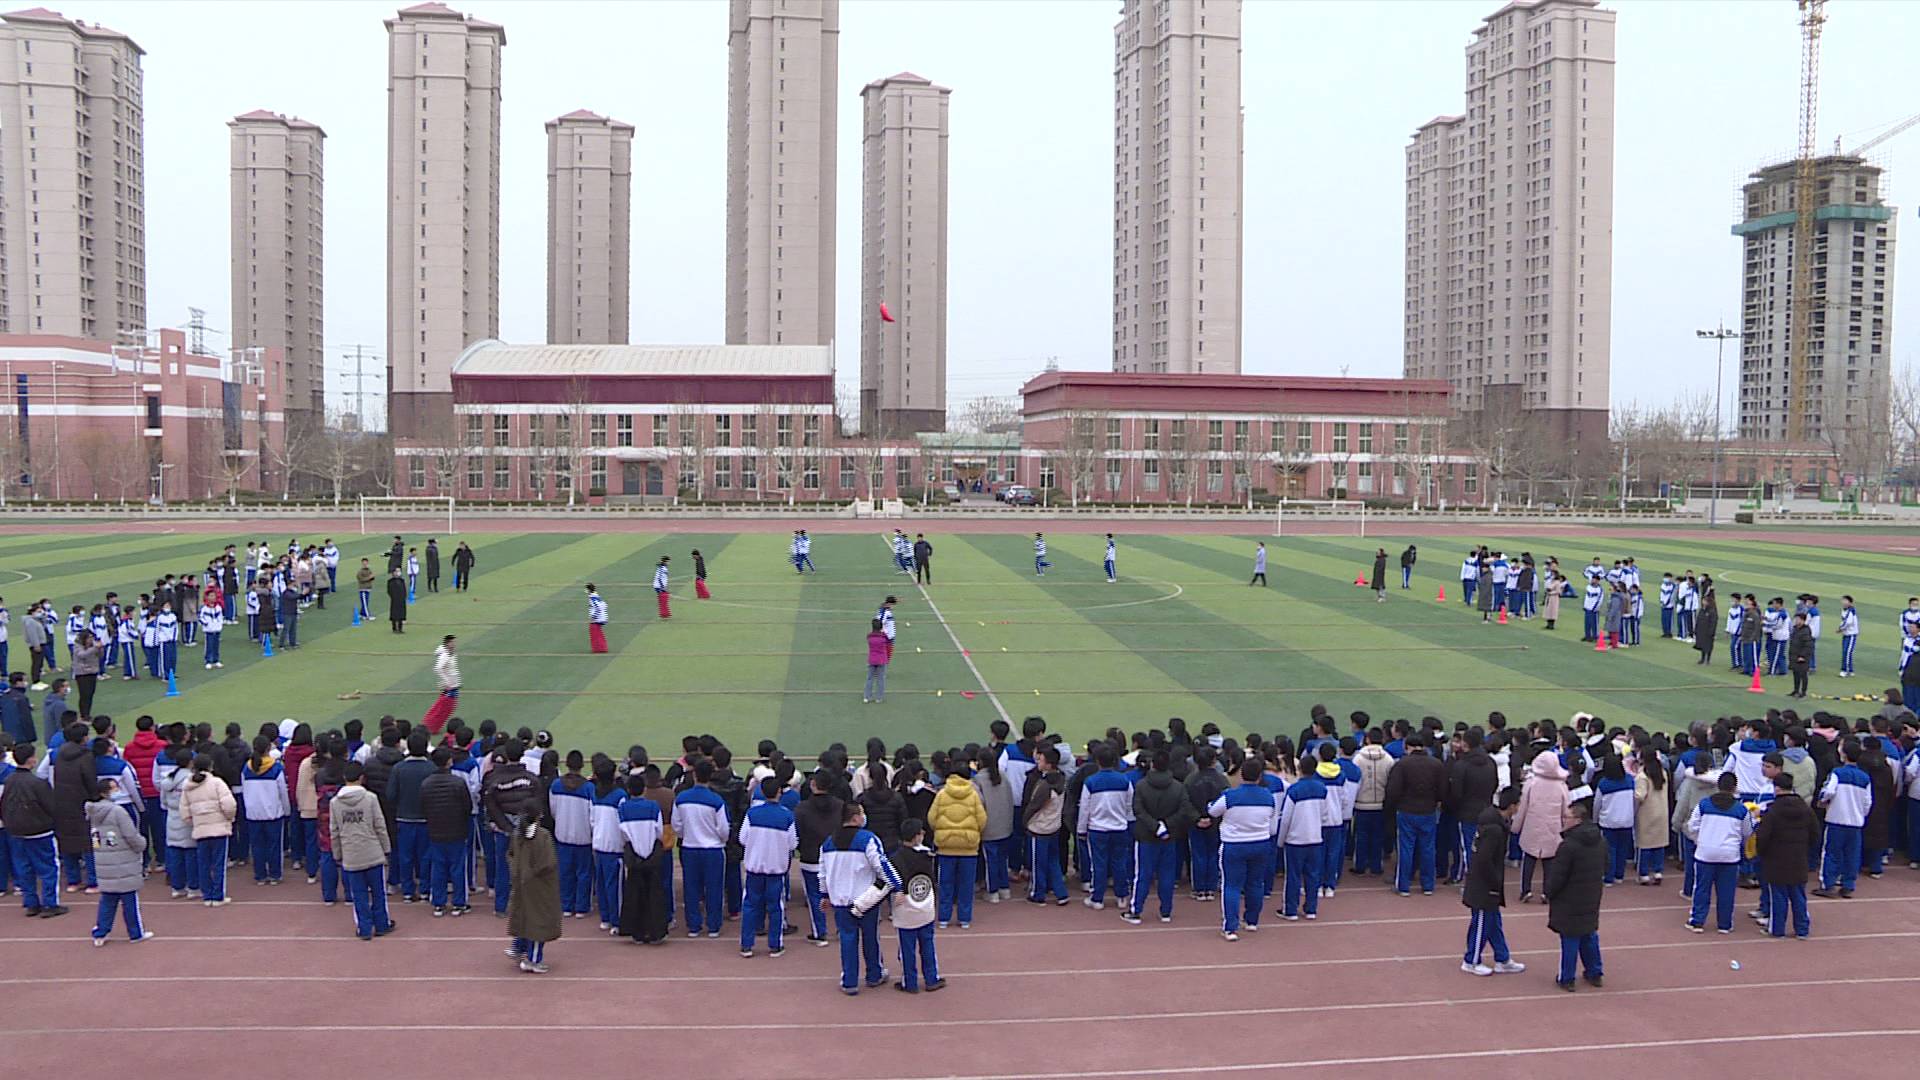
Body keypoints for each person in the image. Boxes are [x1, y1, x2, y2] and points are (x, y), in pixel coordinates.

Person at [818, 800, 902, 995]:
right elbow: (882, 865)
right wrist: (897, 885)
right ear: (856, 817)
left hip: (841, 901)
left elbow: (822, 873)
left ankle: (849, 981)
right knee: (871, 937)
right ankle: (874, 974)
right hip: (866, 900)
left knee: (847, 940)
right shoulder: (868, 839)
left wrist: (824, 894)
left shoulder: (828, 843)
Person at [1208, 758, 1276, 941]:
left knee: (1231, 885)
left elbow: (1212, 811)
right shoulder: (1268, 797)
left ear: (1241, 775)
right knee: (1255, 883)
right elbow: (1272, 821)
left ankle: (1230, 927)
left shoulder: (1231, 796)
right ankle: (1252, 921)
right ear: (1259, 776)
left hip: (1235, 844)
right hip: (1260, 843)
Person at [1461, 787, 1526, 976]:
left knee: (1494, 921)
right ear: (1512, 806)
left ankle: (1502, 958)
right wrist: (1494, 880)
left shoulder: (1493, 823)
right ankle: (1471, 960)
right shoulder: (1494, 829)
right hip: (1483, 883)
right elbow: (1483, 858)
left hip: (1487, 882)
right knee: (1481, 921)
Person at [1127, 749, 1195, 924]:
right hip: (1168, 837)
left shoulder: (1142, 785)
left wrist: (1156, 826)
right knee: (1166, 875)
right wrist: (1165, 825)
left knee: (1142, 874)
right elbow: (1183, 810)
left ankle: (1136, 911)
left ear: (1152, 765)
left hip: (1147, 837)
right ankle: (1166, 911)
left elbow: (1138, 810)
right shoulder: (1178, 787)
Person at [1545, 801, 1606, 991]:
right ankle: (1595, 972)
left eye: (1567, 817)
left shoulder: (1568, 846)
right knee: (1589, 934)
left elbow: (1558, 875)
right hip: (1591, 895)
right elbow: (1606, 865)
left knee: (1570, 938)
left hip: (1569, 899)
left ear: (1577, 820)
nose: (1563, 820)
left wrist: (1549, 892)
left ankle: (1567, 977)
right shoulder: (1600, 841)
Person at [85, 778, 152, 945]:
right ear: (104, 792)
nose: (118, 791)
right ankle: (135, 933)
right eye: (114, 788)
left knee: (107, 900)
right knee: (129, 899)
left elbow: (95, 838)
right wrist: (142, 844)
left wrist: (101, 852)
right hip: (123, 860)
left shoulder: (93, 813)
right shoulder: (118, 812)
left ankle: (101, 933)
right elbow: (131, 835)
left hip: (104, 860)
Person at [2, 743, 65, 916]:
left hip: (16, 831)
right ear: (31, 759)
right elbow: (51, 806)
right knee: (48, 867)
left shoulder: (10, 781)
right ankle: (50, 904)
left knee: (24, 868)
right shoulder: (37, 783)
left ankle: (31, 903)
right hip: (39, 830)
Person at [738, 775, 798, 957]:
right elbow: (792, 844)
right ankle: (775, 944)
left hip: (754, 868)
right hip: (775, 870)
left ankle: (747, 945)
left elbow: (742, 838)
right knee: (775, 907)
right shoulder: (787, 815)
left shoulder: (752, 814)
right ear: (779, 792)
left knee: (749, 906)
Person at [1686, 772, 1753, 933]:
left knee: (1702, 888)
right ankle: (1725, 924)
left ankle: (1697, 921)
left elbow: (1692, 827)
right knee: (1726, 891)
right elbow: (1748, 832)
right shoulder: (1742, 810)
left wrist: (1700, 841)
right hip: (1729, 855)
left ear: (1717, 785)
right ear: (1735, 788)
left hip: (1705, 853)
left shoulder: (1703, 805)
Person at [671, 758, 729, 937]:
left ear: (694, 775)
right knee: (714, 887)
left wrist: (687, 835)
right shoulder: (716, 800)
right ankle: (713, 926)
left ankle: (694, 926)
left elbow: (676, 825)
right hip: (712, 849)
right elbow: (723, 829)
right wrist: (717, 839)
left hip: (690, 848)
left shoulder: (681, 798)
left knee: (691, 887)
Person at [1384, 733, 1446, 896]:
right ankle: (1428, 885)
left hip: (1406, 811)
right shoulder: (1436, 764)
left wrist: (1394, 805)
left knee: (1406, 848)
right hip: (1428, 811)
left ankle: (1403, 886)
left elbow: (1393, 790)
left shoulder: (1402, 764)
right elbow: (1443, 789)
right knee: (1428, 848)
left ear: (1407, 747)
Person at [1754, 771, 1813, 939]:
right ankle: (1802, 929)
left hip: (1776, 859)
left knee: (1778, 896)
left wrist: (1762, 852)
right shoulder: (1805, 808)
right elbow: (1815, 832)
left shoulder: (1772, 811)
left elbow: (1763, 836)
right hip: (1798, 857)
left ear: (1777, 788)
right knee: (1799, 896)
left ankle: (1777, 929)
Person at [616, 771, 671, 945]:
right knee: (654, 893)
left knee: (634, 894)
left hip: (634, 854)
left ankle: (637, 932)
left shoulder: (623, 808)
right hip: (651, 854)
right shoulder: (653, 807)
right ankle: (656, 931)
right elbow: (659, 832)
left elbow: (622, 833)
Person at [929, 760, 985, 928]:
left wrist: (942, 830)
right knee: (966, 885)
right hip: (969, 847)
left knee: (945, 884)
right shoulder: (974, 794)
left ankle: (944, 918)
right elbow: (982, 820)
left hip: (946, 847)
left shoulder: (942, 794)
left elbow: (932, 818)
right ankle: (964, 918)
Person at [889, 817, 942, 992]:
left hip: (904, 910)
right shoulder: (927, 856)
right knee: (927, 945)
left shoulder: (895, 859)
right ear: (915, 837)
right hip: (924, 908)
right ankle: (931, 979)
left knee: (907, 949)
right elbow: (932, 881)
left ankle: (909, 982)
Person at [1814, 739, 1872, 898]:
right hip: (1855, 822)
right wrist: (1860, 815)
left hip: (1836, 819)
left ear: (1844, 755)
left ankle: (1829, 884)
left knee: (1831, 853)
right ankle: (1848, 885)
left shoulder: (1837, 773)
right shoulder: (1865, 777)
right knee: (1852, 855)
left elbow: (1829, 791)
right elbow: (1868, 802)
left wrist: (1822, 801)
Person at [1512, 751, 1571, 903]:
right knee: (1550, 861)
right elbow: (1566, 810)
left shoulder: (1531, 784)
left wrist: (1515, 827)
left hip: (1532, 826)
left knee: (1529, 859)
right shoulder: (1561, 786)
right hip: (1553, 828)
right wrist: (1566, 828)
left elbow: (1522, 807)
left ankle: (1525, 890)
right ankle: (1547, 892)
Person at [178, 754, 236, 907]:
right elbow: (229, 804)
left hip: (201, 830)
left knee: (203, 863)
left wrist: (196, 823)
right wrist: (228, 818)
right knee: (218, 863)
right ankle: (217, 896)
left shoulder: (187, 787)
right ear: (210, 767)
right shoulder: (217, 783)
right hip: (218, 829)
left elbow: (184, 811)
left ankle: (207, 895)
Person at [506, 810, 561, 972]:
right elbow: (548, 862)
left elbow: (511, 855)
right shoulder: (542, 836)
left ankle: (518, 946)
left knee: (524, 915)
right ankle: (533, 959)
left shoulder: (517, 835)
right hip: (538, 886)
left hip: (521, 883)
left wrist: (517, 872)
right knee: (539, 922)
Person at [421, 746, 471, 917]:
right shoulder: (457, 783)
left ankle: (439, 903)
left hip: (436, 831)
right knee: (457, 868)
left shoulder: (426, 783)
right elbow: (467, 807)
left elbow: (424, 808)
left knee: (439, 867)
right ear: (449, 761)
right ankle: (459, 903)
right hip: (456, 831)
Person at [240, 737, 289, 885]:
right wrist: (286, 810)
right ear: (268, 749)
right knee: (274, 845)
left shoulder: (246, 768)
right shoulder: (276, 768)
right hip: (273, 813)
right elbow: (283, 792)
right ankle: (275, 874)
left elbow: (244, 790)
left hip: (253, 813)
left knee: (257, 845)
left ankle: (260, 875)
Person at [1632, 746, 1668, 885]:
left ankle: (1644, 873)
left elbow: (1639, 796)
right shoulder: (1662, 773)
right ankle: (1658, 871)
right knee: (1659, 843)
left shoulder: (1642, 776)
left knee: (1644, 844)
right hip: (1661, 811)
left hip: (1647, 813)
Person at [423, 635, 460, 735]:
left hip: (452, 684)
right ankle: (431, 725)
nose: (454, 644)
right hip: (450, 685)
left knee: (446, 705)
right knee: (445, 705)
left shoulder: (450, 654)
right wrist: (447, 681)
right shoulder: (445, 655)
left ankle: (432, 725)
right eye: (452, 642)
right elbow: (438, 668)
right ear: (447, 643)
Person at [864, 619, 890, 704]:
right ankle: (879, 698)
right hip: (882, 660)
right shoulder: (883, 637)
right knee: (881, 679)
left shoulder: (869, 637)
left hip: (872, 659)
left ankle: (867, 697)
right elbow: (888, 642)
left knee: (870, 678)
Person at [1788, 613, 1814, 698]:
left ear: (1803, 620)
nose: (1796, 621)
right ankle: (1796, 690)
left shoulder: (1805, 631)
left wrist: (1802, 656)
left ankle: (1803, 692)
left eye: (1798, 619)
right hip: (1795, 655)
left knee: (1803, 674)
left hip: (1802, 657)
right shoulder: (1795, 629)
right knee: (1796, 674)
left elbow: (1808, 645)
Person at [586, 584, 610, 654]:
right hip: (601, 617)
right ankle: (602, 648)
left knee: (594, 631)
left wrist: (594, 617)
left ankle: (599, 648)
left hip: (598, 618)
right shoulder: (596, 596)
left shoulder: (592, 598)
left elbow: (598, 607)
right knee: (598, 632)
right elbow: (605, 605)